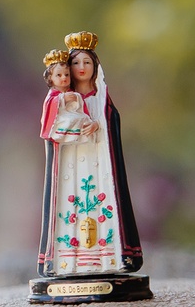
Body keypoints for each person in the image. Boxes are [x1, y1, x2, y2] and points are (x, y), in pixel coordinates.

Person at [37, 32, 144, 276]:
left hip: (99, 163)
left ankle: (107, 258)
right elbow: (50, 127)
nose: (81, 67)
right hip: (71, 164)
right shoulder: (61, 98)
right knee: (72, 205)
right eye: (75, 62)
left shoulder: (101, 98)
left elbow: (111, 122)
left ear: (95, 66)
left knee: (100, 203)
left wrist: (99, 124)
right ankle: (69, 261)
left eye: (87, 62)